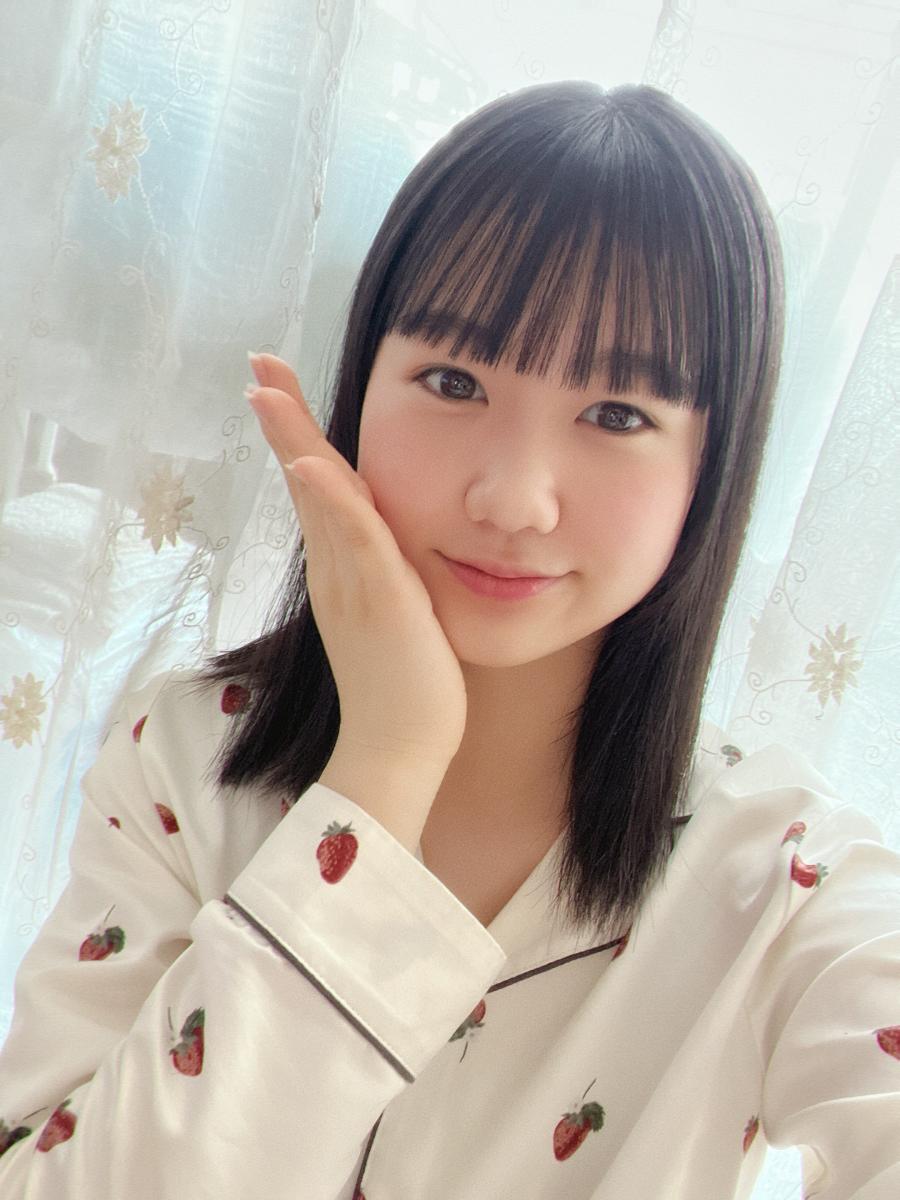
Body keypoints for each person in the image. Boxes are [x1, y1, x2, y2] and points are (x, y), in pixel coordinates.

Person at [0, 80, 897, 1200]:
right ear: (358, 391)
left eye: (618, 414)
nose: (514, 497)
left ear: (709, 472)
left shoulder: (785, 882)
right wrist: (385, 768)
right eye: (454, 380)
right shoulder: (186, 759)